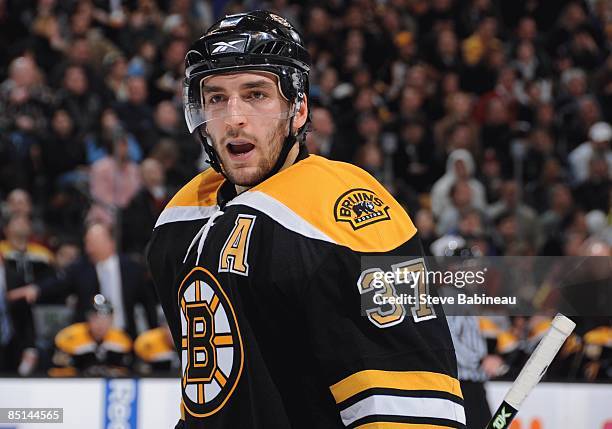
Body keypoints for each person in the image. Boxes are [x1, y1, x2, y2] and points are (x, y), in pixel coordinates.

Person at [146, 11, 464, 429]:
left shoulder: (347, 210)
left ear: (297, 110)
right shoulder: (179, 220)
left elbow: (405, 403)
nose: (233, 117)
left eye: (256, 94)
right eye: (217, 97)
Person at [8, 222, 158, 338]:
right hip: (87, 341)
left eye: (91, 243)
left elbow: (148, 303)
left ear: (109, 242)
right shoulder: (80, 268)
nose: (88, 249)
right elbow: (59, 283)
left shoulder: (131, 269)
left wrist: (154, 334)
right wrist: (36, 289)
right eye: (87, 243)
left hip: (125, 338)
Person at [50, 294, 132, 377]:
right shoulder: (69, 338)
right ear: (88, 318)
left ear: (112, 320)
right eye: (96, 318)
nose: (100, 324)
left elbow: (127, 372)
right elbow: (57, 372)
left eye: (105, 319)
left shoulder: (122, 340)